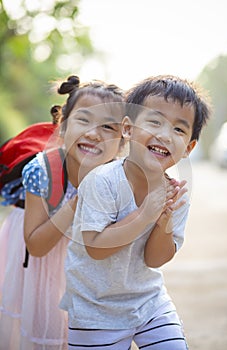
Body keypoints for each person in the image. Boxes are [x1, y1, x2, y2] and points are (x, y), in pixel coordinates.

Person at [60, 75, 211, 350]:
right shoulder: (101, 181)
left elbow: (154, 260)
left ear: (188, 148)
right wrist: (145, 214)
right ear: (128, 129)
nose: (165, 134)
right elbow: (95, 247)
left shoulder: (174, 194)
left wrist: (163, 220)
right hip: (95, 308)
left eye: (179, 129)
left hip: (149, 302)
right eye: (154, 121)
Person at [0, 75, 126, 350]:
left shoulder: (118, 177)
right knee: (43, 330)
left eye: (107, 126)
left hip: (81, 260)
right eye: (83, 120)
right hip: (38, 252)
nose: (93, 134)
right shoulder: (42, 172)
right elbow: (35, 246)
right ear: (63, 124)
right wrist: (78, 201)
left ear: (122, 139)